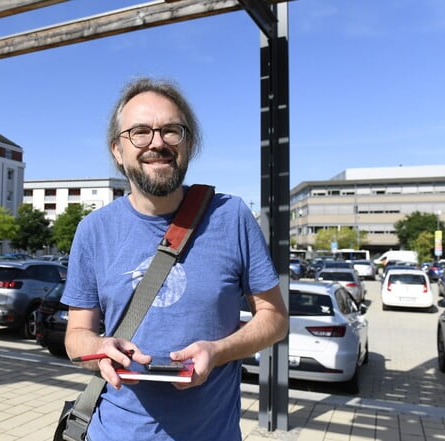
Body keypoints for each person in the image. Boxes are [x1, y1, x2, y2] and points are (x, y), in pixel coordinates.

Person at [61, 77, 288, 441]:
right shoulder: (93, 230)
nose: (157, 143)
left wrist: (218, 351)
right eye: (140, 132)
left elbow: (275, 319)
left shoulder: (232, 217)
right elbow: (76, 336)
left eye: (171, 131)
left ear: (189, 144)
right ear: (117, 150)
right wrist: (100, 347)